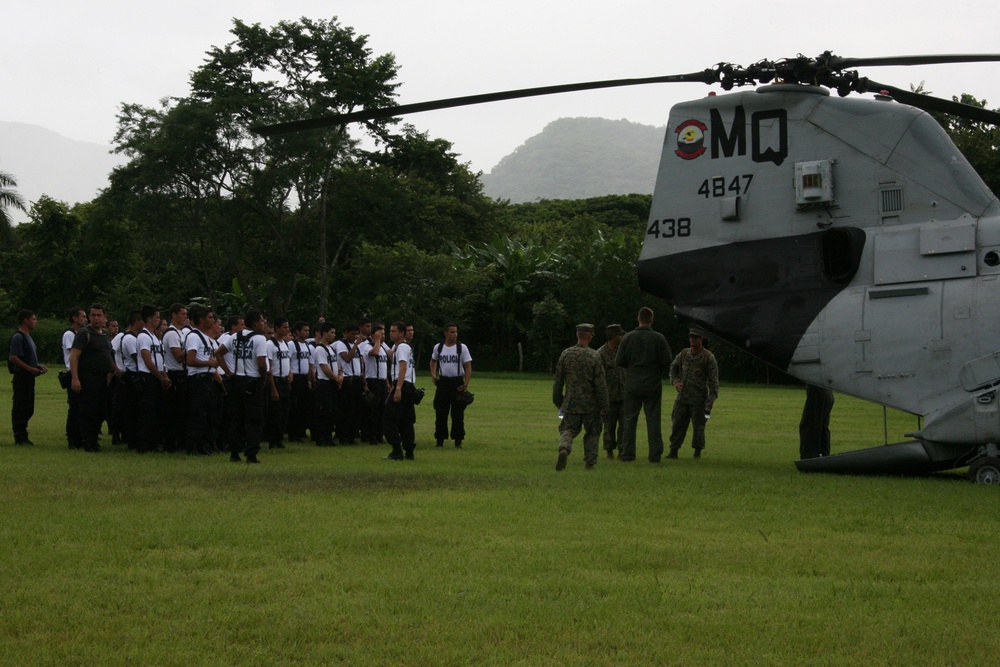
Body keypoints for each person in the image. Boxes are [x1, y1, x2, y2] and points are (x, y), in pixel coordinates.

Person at [615, 307, 672, 463]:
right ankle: (654, 455)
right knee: (653, 419)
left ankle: (628, 454)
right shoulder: (659, 338)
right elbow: (667, 360)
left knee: (629, 419)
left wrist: (633, 368)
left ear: (638, 318)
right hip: (652, 382)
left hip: (632, 382)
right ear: (651, 319)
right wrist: (655, 370)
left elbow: (619, 361)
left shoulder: (627, 338)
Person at [552, 324, 608, 471]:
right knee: (593, 432)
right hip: (591, 405)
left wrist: (559, 403)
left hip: (569, 403)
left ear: (577, 335)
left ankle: (564, 448)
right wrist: (604, 406)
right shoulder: (594, 356)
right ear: (589, 336)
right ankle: (590, 463)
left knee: (567, 429)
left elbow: (558, 382)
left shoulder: (565, 354)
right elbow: (601, 385)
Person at [217, 309, 268, 463]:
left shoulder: (235, 336)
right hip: (252, 381)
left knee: (237, 418)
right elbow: (261, 364)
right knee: (253, 419)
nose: (264, 323)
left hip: (237, 380)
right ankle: (251, 453)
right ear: (255, 323)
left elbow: (218, 353)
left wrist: (229, 373)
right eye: (262, 321)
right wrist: (263, 378)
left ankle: (234, 452)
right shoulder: (260, 339)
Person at [69, 303, 115, 452]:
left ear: (104, 317)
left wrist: (110, 372)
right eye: (93, 315)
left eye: (99, 315)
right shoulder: (84, 333)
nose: (96, 318)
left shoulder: (105, 334)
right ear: (89, 317)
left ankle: (94, 438)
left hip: (102, 379)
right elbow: (74, 356)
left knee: (101, 410)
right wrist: (75, 378)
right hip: (88, 377)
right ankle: (88, 441)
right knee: (88, 410)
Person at [668, 328, 720, 459]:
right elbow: (673, 369)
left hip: (699, 400)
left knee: (699, 427)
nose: (692, 339)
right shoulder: (684, 354)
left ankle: (697, 452)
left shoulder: (708, 357)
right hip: (682, 398)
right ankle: (673, 451)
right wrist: (676, 382)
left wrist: (711, 398)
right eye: (690, 336)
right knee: (677, 425)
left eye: (695, 337)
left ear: (701, 339)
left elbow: (714, 381)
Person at [429, 323, 473, 448]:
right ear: (446, 333)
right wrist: (433, 374)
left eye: (456, 332)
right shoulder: (439, 347)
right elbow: (433, 360)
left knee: (458, 413)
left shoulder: (461, 347)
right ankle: (440, 440)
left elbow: (468, 365)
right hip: (443, 382)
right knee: (440, 412)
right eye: (452, 332)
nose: (455, 334)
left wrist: (466, 383)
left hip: (457, 382)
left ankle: (458, 440)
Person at [134, 305, 171, 454]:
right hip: (147, 377)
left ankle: (153, 442)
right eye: (156, 317)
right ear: (148, 319)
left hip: (155, 377)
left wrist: (164, 375)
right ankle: (143, 444)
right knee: (147, 412)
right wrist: (160, 377)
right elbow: (148, 361)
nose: (158, 320)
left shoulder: (154, 337)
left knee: (156, 412)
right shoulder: (143, 336)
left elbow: (159, 360)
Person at [8, 309, 47, 445]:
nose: (36, 322)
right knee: (21, 406)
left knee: (28, 407)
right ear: (26, 320)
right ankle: (19, 436)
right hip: (22, 377)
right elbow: (13, 357)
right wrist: (30, 369)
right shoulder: (18, 337)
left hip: (29, 377)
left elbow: (27, 357)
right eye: (34, 319)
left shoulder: (28, 337)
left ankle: (23, 434)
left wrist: (37, 365)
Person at [184, 305, 219, 456]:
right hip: (198, 379)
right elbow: (190, 360)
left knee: (207, 413)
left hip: (208, 379)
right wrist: (208, 363)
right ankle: (193, 445)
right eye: (210, 317)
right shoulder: (194, 337)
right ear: (201, 319)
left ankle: (204, 444)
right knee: (197, 413)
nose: (212, 320)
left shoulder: (208, 339)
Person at [383, 321, 417, 460]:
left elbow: (402, 368)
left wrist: (398, 388)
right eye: (390, 331)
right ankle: (409, 451)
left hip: (402, 385)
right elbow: (391, 354)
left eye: (394, 331)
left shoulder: (402, 347)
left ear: (402, 333)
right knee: (405, 420)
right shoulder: (403, 347)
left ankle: (396, 450)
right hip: (409, 386)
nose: (391, 333)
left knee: (387, 418)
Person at [598, 323, 626, 459]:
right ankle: (609, 451)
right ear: (614, 337)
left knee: (624, 425)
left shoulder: (624, 351)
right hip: (608, 397)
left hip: (624, 395)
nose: (622, 336)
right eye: (620, 334)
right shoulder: (600, 354)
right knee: (609, 426)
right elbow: (597, 379)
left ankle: (622, 450)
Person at [358, 322, 390, 445]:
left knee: (382, 409)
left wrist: (387, 381)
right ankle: (369, 436)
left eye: (383, 334)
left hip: (381, 381)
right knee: (372, 410)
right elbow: (374, 353)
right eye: (380, 334)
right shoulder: (367, 346)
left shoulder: (382, 347)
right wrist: (376, 340)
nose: (382, 336)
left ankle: (379, 434)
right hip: (372, 381)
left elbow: (383, 366)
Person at [311, 322, 341, 447]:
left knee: (332, 411)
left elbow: (337, 365)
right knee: (324, 411)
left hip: (333, 383)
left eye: (334, 332)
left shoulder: (330, 348)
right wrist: (336, 378)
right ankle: (320, 437)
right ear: (324, 333)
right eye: (331, 332)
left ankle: (328, 436)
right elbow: (324, 367)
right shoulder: (320, 349)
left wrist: (340, 375)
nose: (334, 335)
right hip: (325, 383)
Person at [334, 323, 364, 444]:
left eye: (356, 334)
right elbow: (347, 358)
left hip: (356, 378)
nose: (354, 337)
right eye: (352, 334)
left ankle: (352, 435)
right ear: (345, 333)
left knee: (355, 410)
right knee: (346, 410)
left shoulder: (355, 345)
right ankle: (343, 435)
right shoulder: (342, 344)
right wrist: (356, 345)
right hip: (347, 379)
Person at [62, 307, 87, 449]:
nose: (85, 319)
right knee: (74, 407)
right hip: (72, 373)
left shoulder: (81, 333)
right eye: (82, 316)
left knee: (81, 406)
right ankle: (72, 438)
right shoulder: (70, 334)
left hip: (81, 373)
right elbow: (74, 354)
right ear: (75, 318)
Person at [265, 317, 292, 449]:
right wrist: (273, 388)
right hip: (275, 380)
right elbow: (269, 367)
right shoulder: (270, 344)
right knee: (275, 412)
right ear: (277, 328)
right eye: (285, 327)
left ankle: (280, 437)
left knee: (284, 411)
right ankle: (273, 439)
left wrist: (290, 373)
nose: (287, 330)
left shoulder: (284, 343)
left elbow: (287, 361)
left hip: (284, 380)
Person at [287, 321, 314, 443]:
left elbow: (309, 363)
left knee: (304, 406)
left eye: (308, 330)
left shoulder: (307, 345)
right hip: (295, 377)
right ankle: (293, 433)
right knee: (295, 406)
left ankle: (301, 431)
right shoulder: (291, 345)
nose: (307, 333)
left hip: (304, 378)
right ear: (297, 332)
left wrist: (309, 380)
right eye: (304, 330)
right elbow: (287, 360)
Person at [799, 385, 834, 459]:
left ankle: (809, 459)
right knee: (822, 427)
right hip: (825, 389)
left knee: (809, 425)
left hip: (817, 388)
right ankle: (824, 457)